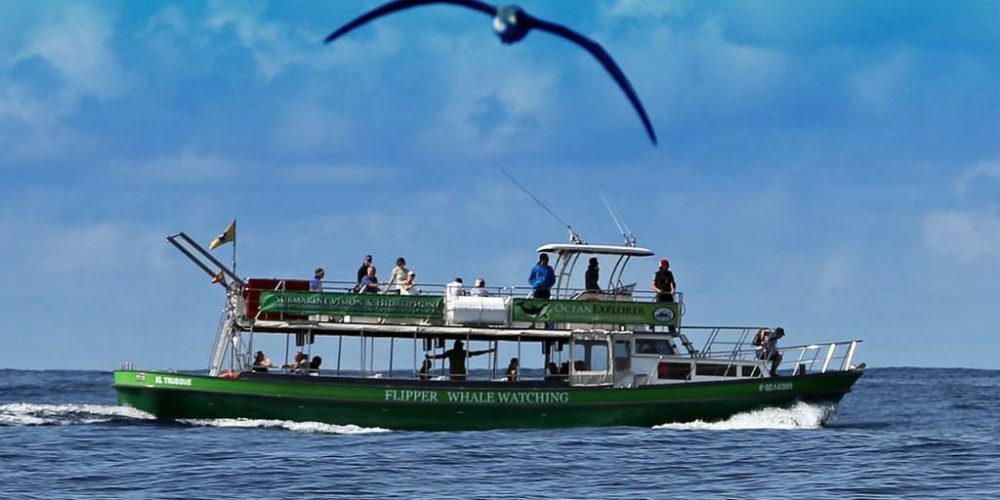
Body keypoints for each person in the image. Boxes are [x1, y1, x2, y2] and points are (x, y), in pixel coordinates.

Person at [426, 340, 494, 381]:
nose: (462, 347)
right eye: (461, 345)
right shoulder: (458, 352)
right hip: (457, 374)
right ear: (457, 346)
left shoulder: (452, 352)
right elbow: (475, 353)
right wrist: (430, 357)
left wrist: (430, 357)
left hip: (457, 374)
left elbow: (440, 356)